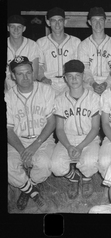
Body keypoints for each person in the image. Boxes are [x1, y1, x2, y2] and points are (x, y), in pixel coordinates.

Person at [6, 56, 56, 212]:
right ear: (13, 76)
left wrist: (35, 146)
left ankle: (27, 187)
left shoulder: (46, 90)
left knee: (45, 164)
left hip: (42, 140)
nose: (25, 77)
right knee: (8, 166)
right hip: (17, 141)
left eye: (28, 72)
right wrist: (23, 152)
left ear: (33, 72)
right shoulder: (8, 96)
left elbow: (51, 122)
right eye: (20, 73)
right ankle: (33, 192)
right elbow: (8, 129)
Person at [51, 59, 101, 199]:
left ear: (83, 76)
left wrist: (80, 147)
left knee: (90, 162)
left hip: (89, 138)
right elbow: (59, 129)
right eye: (70, 76)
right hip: (67, 138)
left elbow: (95, 128)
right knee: (55, 166)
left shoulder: (93, 98)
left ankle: (86, 178)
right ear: (65, 78)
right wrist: (68, 146)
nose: (74, 79)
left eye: (77, 75)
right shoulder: (60, 99)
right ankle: (73, 178)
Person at [36, 7, 81, 95]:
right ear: (48, 22)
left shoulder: (76, 42)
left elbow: (80, 67)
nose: (57, 24)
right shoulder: (41, 42)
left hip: (69, 83)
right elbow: (38, 67)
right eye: (53, 21)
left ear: (65, 22)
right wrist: (42, 78)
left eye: (60, 20)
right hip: (49, 82)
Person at [77, 7, 111, 95]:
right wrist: (93, 84)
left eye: (101, 20)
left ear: (105, 21)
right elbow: (84, 69)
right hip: (89, 84)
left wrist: (106, 84)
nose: (98, 24)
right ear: (89, 22)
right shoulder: (83, 45)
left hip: (110, 83)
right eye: (94, 20)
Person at [6, 15, 41, 91]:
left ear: (24, 28)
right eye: (12, 27)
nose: (16, 30)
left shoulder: (32, 45)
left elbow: (34, 75)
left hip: (26, 88)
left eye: (19, 27)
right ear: (8, 28)